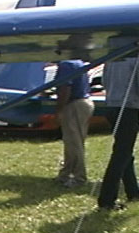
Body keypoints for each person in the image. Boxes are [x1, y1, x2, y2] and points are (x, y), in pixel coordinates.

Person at [97, 57, 139, 210]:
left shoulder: (113, 58)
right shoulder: (136, 59)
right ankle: (107, 200)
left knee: (124, 152)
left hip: (112, 106)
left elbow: (104, 82)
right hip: (129, 107)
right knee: (121, 154)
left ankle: (133, 192)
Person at [53, 60, 94, 188]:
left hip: (74, 104)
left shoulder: (65, 65)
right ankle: (65, 174)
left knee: (74, 143)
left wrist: (59, 110)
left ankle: (79, 178)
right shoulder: (77, 62)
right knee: (73, 141)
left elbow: (66, 88)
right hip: (83, 102)